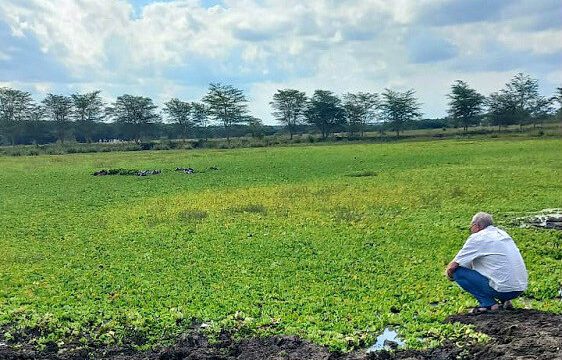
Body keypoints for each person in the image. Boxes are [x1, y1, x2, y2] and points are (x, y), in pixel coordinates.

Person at [445, 212, 528, 314]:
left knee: (457, 272)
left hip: (503, 290)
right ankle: (505, 301)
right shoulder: (503, 234)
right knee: (493, 266)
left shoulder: (477, 237)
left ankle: (488, 304)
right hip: (519, 288)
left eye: (471, 227)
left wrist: (449, 275)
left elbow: (453, 266)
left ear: (477, 226)